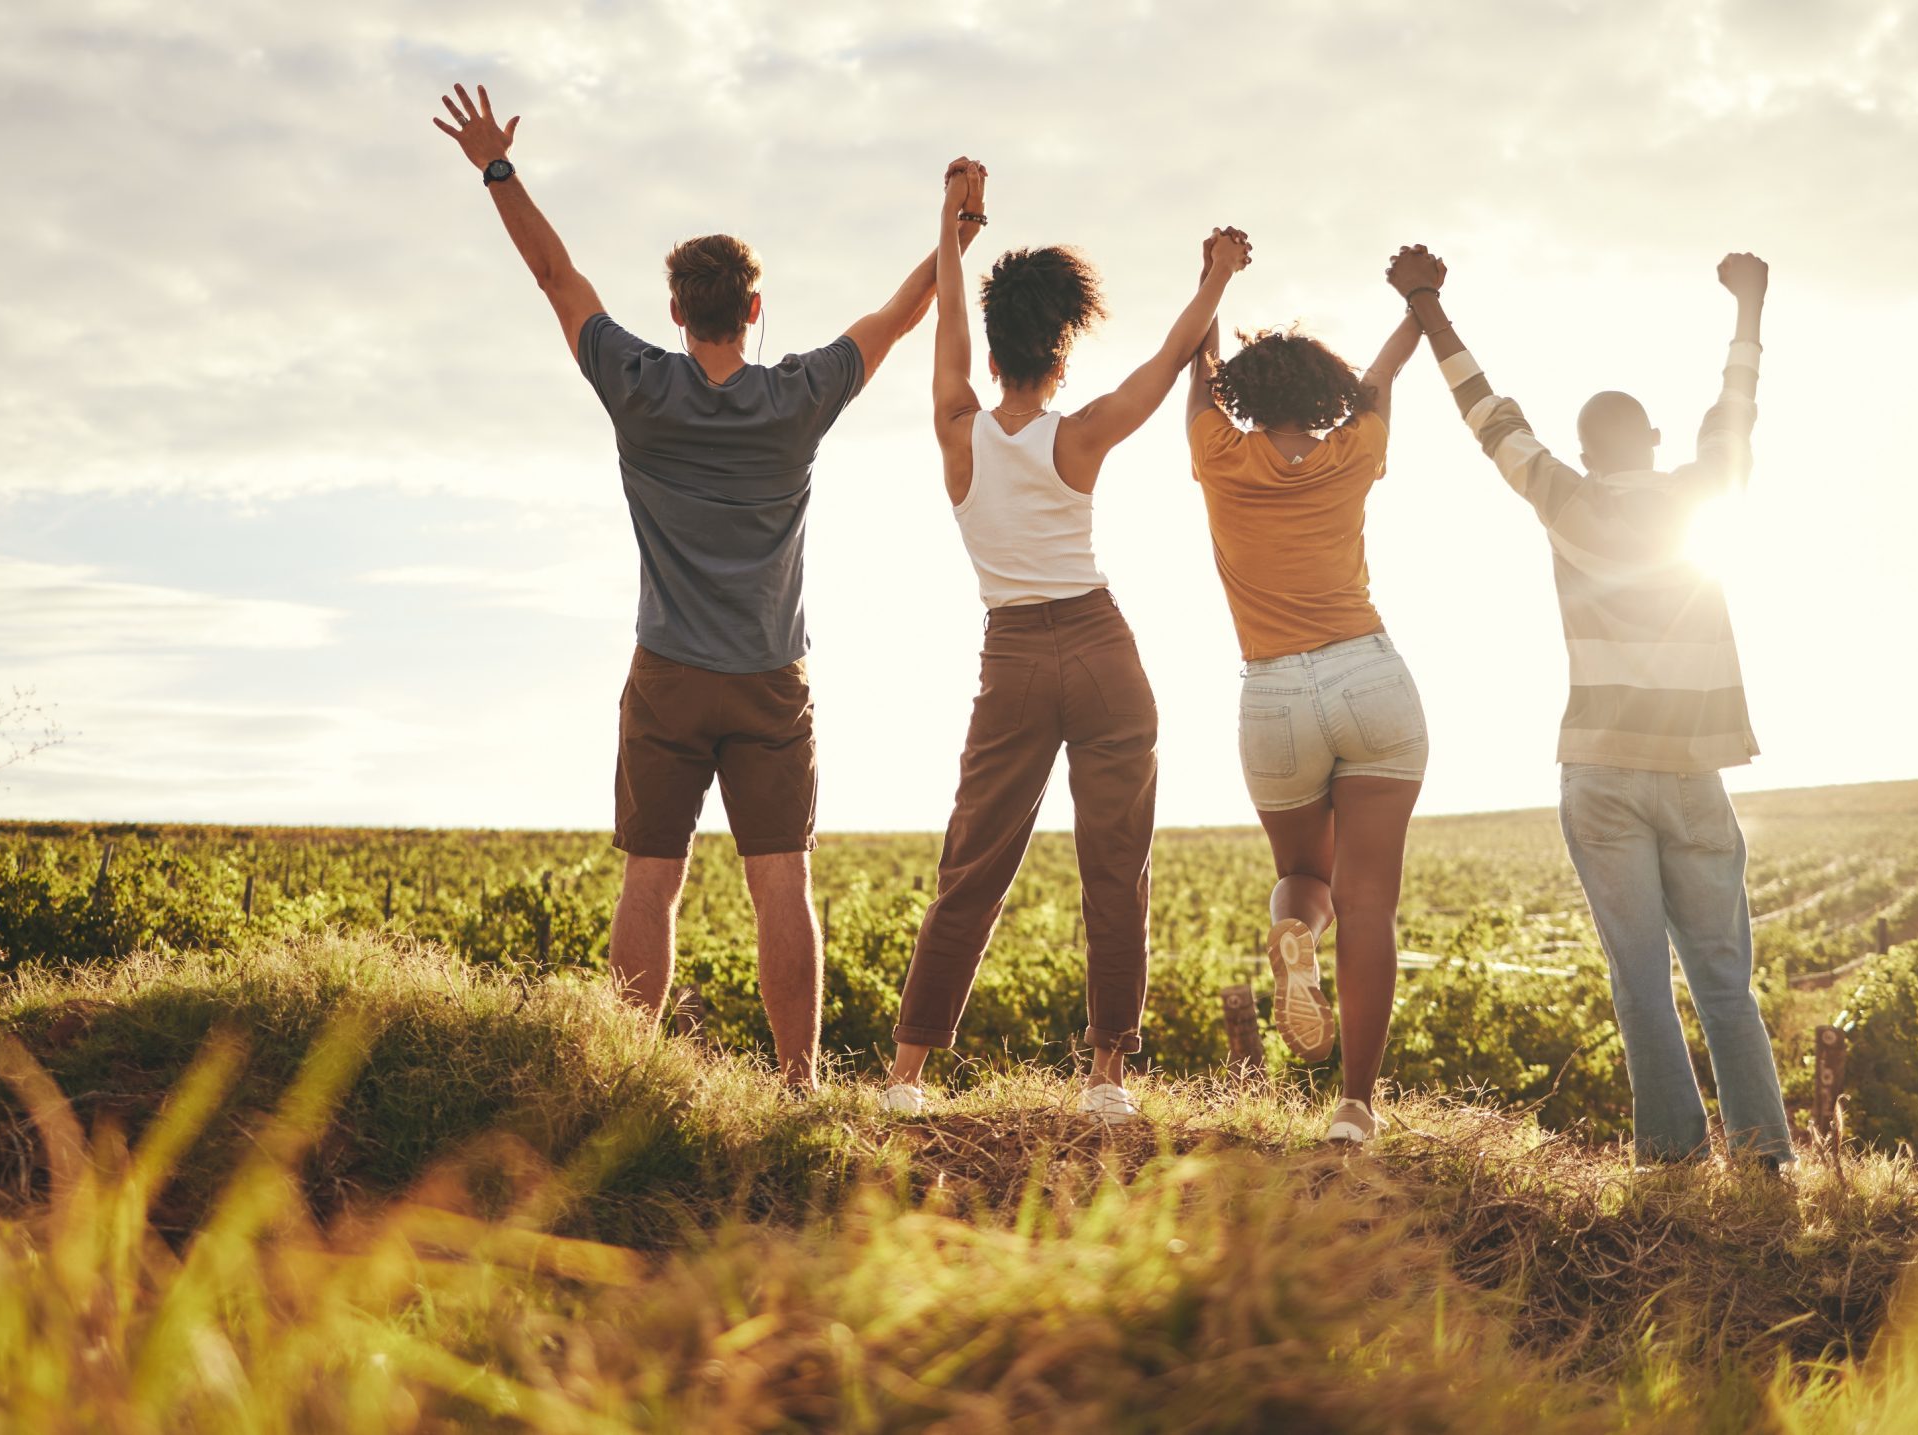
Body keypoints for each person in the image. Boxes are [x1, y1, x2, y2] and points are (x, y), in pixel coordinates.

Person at [433, 83, 970, 1089]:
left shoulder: (637, 385)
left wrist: (496, 169)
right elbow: (900, 318)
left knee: (651, 880)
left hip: (668, 675)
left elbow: (557, 277)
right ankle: (799, 1081)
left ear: (676, 312)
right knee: (782, 885)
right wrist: (955, 231)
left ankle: (631, 1076)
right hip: (770, 680)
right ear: (754, 311)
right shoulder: (799, 397)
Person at [1391, 242, 1792, 1169]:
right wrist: (1748, 304)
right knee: (1725, 980)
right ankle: (1766, 1159)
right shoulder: (1700, 492)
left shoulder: (1564, 497)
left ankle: (1673, 1161)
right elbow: (1737, 408)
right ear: (1654, 443)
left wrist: (1426, 303)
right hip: (1693, 773)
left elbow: (1487, 415)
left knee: (1639, 981)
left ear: (1585, 453)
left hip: (1601, 774)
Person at [882, 158, 1252, 1122]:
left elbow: (947, 329)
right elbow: (1169, 364)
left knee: (972, 864)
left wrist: (949, 223)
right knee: (1114, 866)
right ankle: (1105, 1078)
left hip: (1010, 658)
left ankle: (908, 1076)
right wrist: (1216, 277)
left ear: (997, 352)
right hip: (1099, 650)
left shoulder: (956, 429)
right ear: (1058, 350)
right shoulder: (1077, 435)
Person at [1187, 285, 1435, 1146]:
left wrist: (1213, 279)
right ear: (1326, 396)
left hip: (1274, 693)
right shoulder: (1354, 449)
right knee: (1372, 903)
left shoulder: (1217, 450)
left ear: (1246, 398)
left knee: (1308, 875)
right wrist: (1418, 303)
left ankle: (1295, 935)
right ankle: (1356, 1107)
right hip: (1370, 676)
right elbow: (1382, 378)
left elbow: (1199, 362)